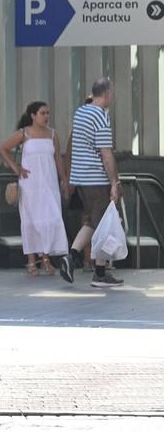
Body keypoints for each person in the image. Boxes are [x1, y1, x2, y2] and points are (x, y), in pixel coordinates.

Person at [0, 102, 70, 277]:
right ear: (33, 115)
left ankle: (46, 258)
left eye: (48, 113)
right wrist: (16, 168)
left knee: (52, 219)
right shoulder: (24, 133)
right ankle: (31, 261)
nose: (46, 116)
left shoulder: (53, 135)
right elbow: (3, 149)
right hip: (30, 184)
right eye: (42, 113)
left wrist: (65, 180)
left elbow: (58, 159)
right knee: (31, 220)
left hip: (49, 184)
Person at [66, 78, 123, 288]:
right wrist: (114, 182)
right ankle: (100, 273)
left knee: (92, 221)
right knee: (106, 223)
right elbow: (106, 154)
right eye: (112, 94)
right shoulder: (101, 116)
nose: (112, 98)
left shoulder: (80, 113)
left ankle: (70, 257)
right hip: (97, 179)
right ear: (107, 94)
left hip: (80, 178)